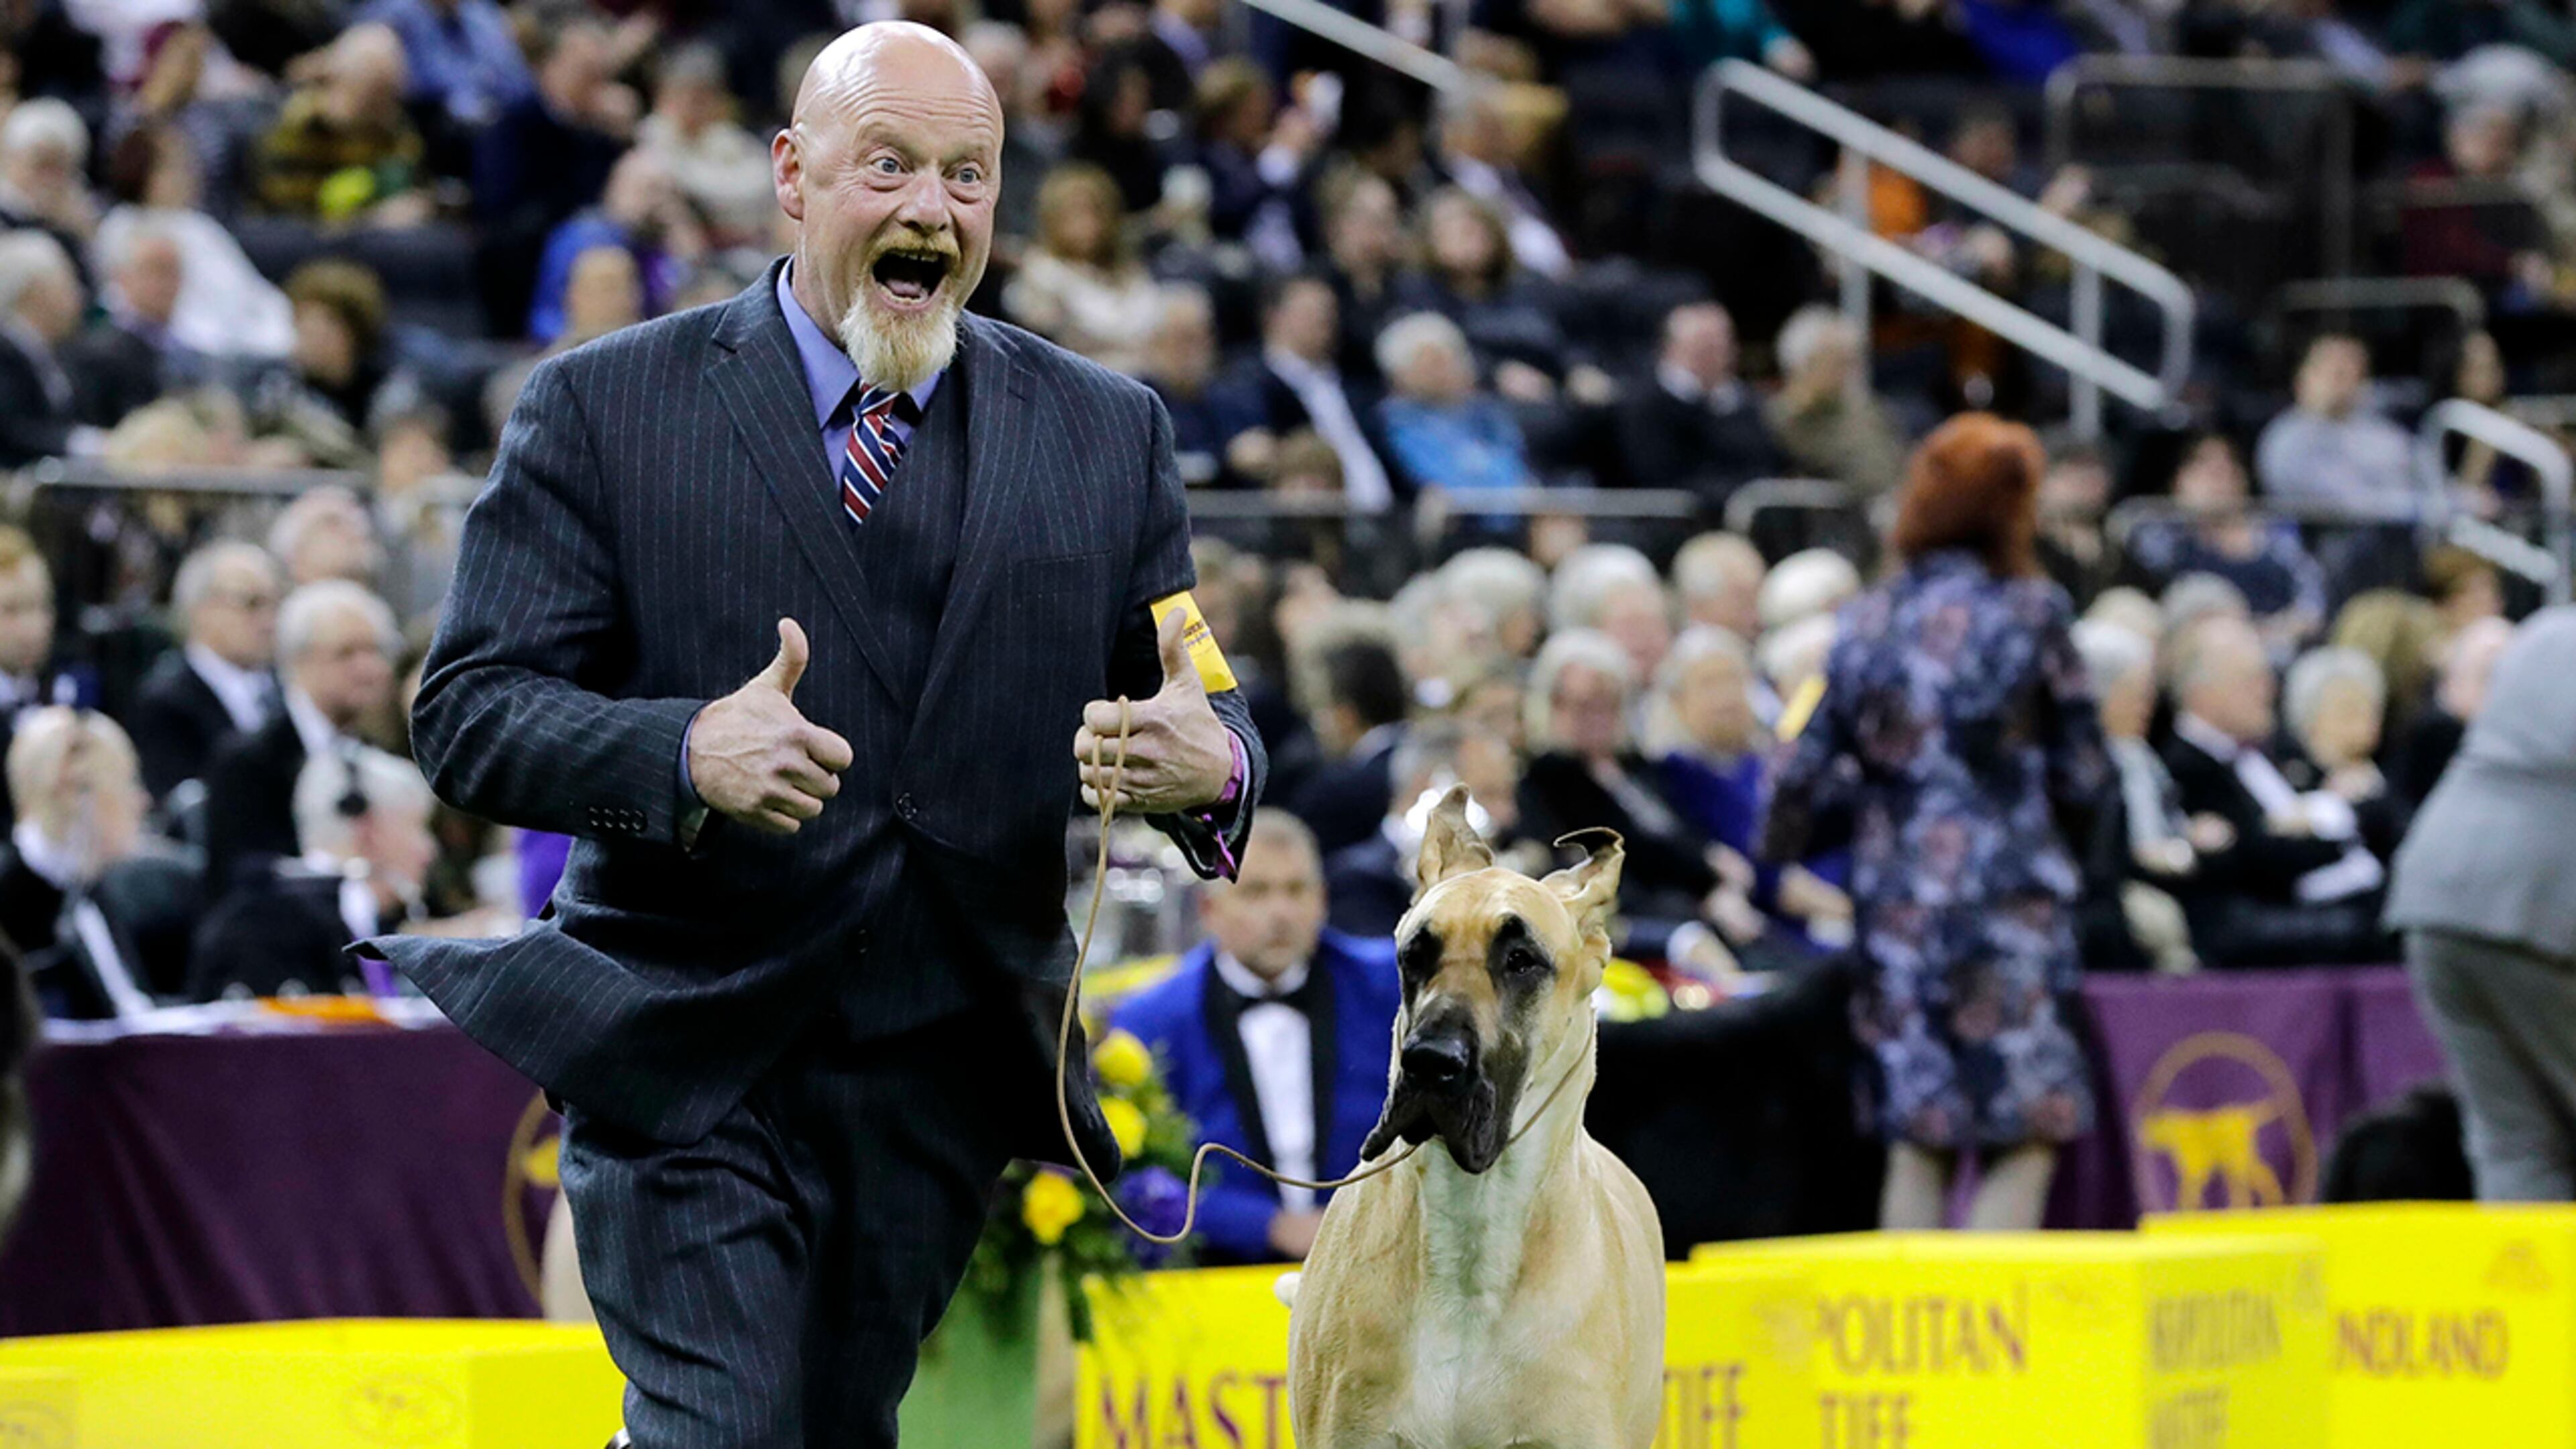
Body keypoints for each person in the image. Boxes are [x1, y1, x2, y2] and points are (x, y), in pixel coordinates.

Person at [361, 25, 1266, 1448]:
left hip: (939, 1076)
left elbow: (1201, 693)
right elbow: (469, 714)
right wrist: (678, 755)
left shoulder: (1108, 435)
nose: (930, 211)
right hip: (687, 1049)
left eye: (968, 178)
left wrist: (1213, 768)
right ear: (792, 174)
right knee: (719, 1430)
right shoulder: (603, 406)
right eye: (889, 166)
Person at [1762, 414, 2107, 1232]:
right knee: (2024, 1135)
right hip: (2009, 906)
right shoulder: (2032, 613)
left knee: (1920, 1141)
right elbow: (2086, 772)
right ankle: (1988, 1349)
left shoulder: (1865, 622)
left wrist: (1806, 851)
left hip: (1897, 913)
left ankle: (1906, 1353)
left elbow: (1798, 771)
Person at [1110, 812, 1400, 1263]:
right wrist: (1265, 1225)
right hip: (1215, 1279)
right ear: (1210, 910)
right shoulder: (1151, 1020)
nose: (1281, 913)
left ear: (1322, 900)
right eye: (1256, 893)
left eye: (1296, 890)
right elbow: (1133, 1184)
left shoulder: (1390, 991)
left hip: (1375, 1261)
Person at [2387, 607, 2576, 1199]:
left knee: (2515, 1143)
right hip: (2540, 900)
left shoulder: (2546, 632)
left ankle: (2524, 1292)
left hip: (2437, 888)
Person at [2161, 614, 2386, 967]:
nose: (2268, 690)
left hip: (2318, 904)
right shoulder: (2186, 768)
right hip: (2256, 927)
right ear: (2202, 693)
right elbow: (2255, 857)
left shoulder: (2269, 753)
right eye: (2251, 680)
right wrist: (2328, 828)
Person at [190, 745, 435, 1000]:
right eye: (419, 829)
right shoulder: (269, 925)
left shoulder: (352, 922)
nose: (428, 851)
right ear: (368, 829)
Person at [0, 708, 199, 1018]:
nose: (142, 800)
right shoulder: (13, 904)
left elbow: (132, 1013)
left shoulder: (87, 890)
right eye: (129, 783)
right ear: (75, 793)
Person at [201, 580, 396, 890]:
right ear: (297, 661)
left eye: (376, 651)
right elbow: (243, 880)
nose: (368, 668)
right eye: (347, 653)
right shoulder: (248, 763)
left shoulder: (383, 754)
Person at [1216, 272, 1395, 513]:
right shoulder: (1245, 383)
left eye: (1329, 311)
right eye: (1310, 311)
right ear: (1273, 317)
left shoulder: (1355, 386)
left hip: (1385, 520)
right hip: (1302, 518)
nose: (1324, 319)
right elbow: (1249, 451)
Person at [129, 541, 282, 802]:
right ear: (202, 609)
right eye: (251, 603)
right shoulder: (167, 702)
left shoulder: (286, 689)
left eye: (274, 604)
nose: (269, 621)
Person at [998, 162, 1163, 376]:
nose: (1085, 223)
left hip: (1147, 383)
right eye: (1073, 212)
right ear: (1052, 218)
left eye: (1093, 211)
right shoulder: (1040, 273)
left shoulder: (1130, 272)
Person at [1617, 301, 1784, 507]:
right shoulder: (1644, 406)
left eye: (1720, 346)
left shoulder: (1750, 404)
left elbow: (1766, 464)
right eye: (1703, 348)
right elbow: (1658, 477)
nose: (1714, 357)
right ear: (1671, 348)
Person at [2255, 333, 2417, 520]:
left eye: (2350, 371)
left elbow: (2422, 483)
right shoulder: (2286, 436)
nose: (2340, 379)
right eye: (2331, 369)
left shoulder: (2385, 434)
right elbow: (2337, 503)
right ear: (2302, 377)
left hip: (2397, 533)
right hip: (2322, 540)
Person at [1766, 305, 1906, 499]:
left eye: (1851, 361)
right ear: (1806, 363)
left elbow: (1900, 458)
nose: (1847, 371)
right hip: (1845, 513)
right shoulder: (1784, 416)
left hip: (1895, 501)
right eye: (1837, 361)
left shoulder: (1867, 407)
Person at [1287, 635, 1409, 855]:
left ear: (1346, 715)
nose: (1317, 723)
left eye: (1321, 708)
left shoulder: (1334, 793)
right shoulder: (1437, 758)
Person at [0, 230, 99, 466]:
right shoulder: (5, 355)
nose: (79, 296)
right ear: (36, 292)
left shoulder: (56, 354)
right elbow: (10, 429)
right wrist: (85, 445)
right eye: (67, 284)